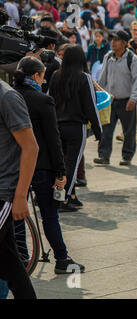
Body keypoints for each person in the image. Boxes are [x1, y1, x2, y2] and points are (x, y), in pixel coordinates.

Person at [13, 56, 85, 274]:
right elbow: (54, 140)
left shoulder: (10, 96)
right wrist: (61, 171)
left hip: (15, 166)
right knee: (49, 215)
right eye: (43, 75)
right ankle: (62, 259)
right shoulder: (42, 100)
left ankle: (22, 258)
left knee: (18, 214)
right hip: (43, 166)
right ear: (36, 76)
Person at [49, 44, 102, 211]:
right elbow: (91, 107)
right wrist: (99, 129)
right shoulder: (84, 77)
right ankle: (63, 200)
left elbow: (50, 101)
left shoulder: (56, 76)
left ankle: (66, 196)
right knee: (72, 163)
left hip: (57, 126)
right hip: (76, 127)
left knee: (61, 164)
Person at [0, 77, 38, 299]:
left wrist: (21, 196)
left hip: (3, 193)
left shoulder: (7, 97)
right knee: (11, 265)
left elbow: (31, 147)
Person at [95, 30, 137, 166]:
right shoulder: (108, 57)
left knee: (129, 131)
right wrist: (99, 94)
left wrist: (133, 98)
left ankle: (127, 156)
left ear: (124, 43)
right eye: (112, 40)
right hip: (110, 101)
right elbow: (102, 78)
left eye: (116, 40)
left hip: (127, 101)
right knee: (106, 130)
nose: (113, 42)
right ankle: (104, 156)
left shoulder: (132, 59)